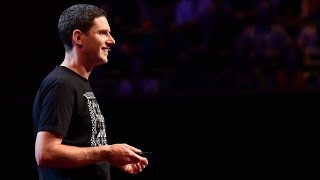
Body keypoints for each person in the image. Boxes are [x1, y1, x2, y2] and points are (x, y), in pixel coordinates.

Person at [32, 4, 148, 180]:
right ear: (78, 37)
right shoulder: (61, 84)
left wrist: (110, 159)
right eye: (102, 33)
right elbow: (45, 153)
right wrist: (106, 152)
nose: (112, 40)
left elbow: (82, 145)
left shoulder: (77, 82)